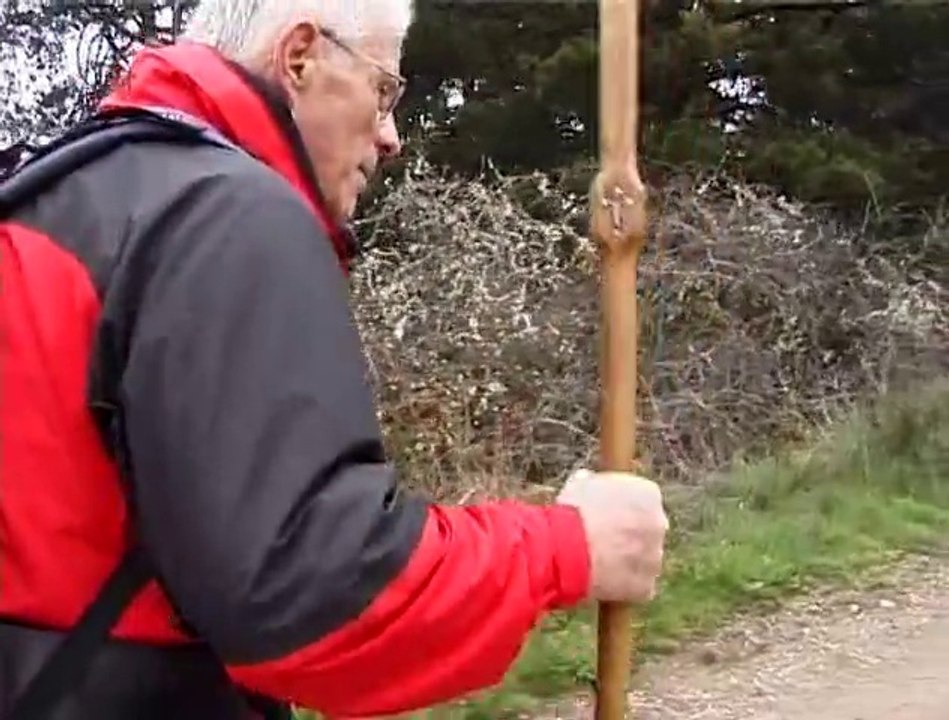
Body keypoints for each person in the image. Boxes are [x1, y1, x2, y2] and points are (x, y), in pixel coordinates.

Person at [0, 0, 669, 718]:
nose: (391, 137)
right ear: (300, 58)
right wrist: (568, 548)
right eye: (383, 92)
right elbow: (313, 596)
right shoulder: (225, 216)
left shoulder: (55, 193)